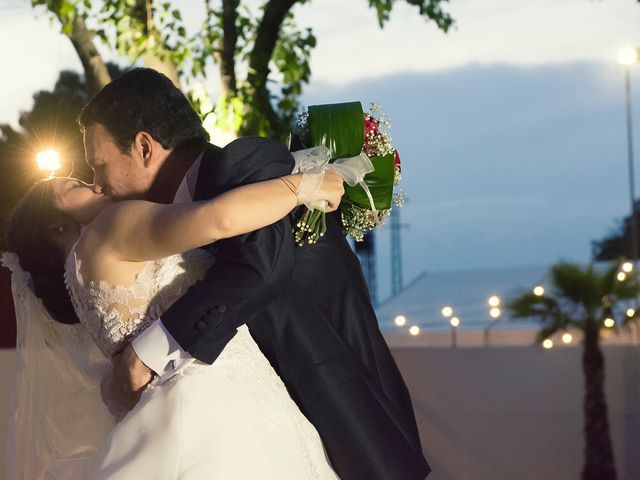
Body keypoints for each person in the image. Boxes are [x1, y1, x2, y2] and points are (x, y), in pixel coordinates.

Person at [78, 67, 430, 480]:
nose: (96, 184)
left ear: (144, 147)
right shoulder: (161, 227)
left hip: (342, 412)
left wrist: (147, 353)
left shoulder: (245, 163)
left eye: (99, 166)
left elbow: (261, 267)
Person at [4, 171, 344, 479]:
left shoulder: (78, 278)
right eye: (74, 186)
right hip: (213, 407)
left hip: (186, 406)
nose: (94, 184)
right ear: (54, 225)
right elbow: (219, 219)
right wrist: (304, 186)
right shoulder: (105, 230)